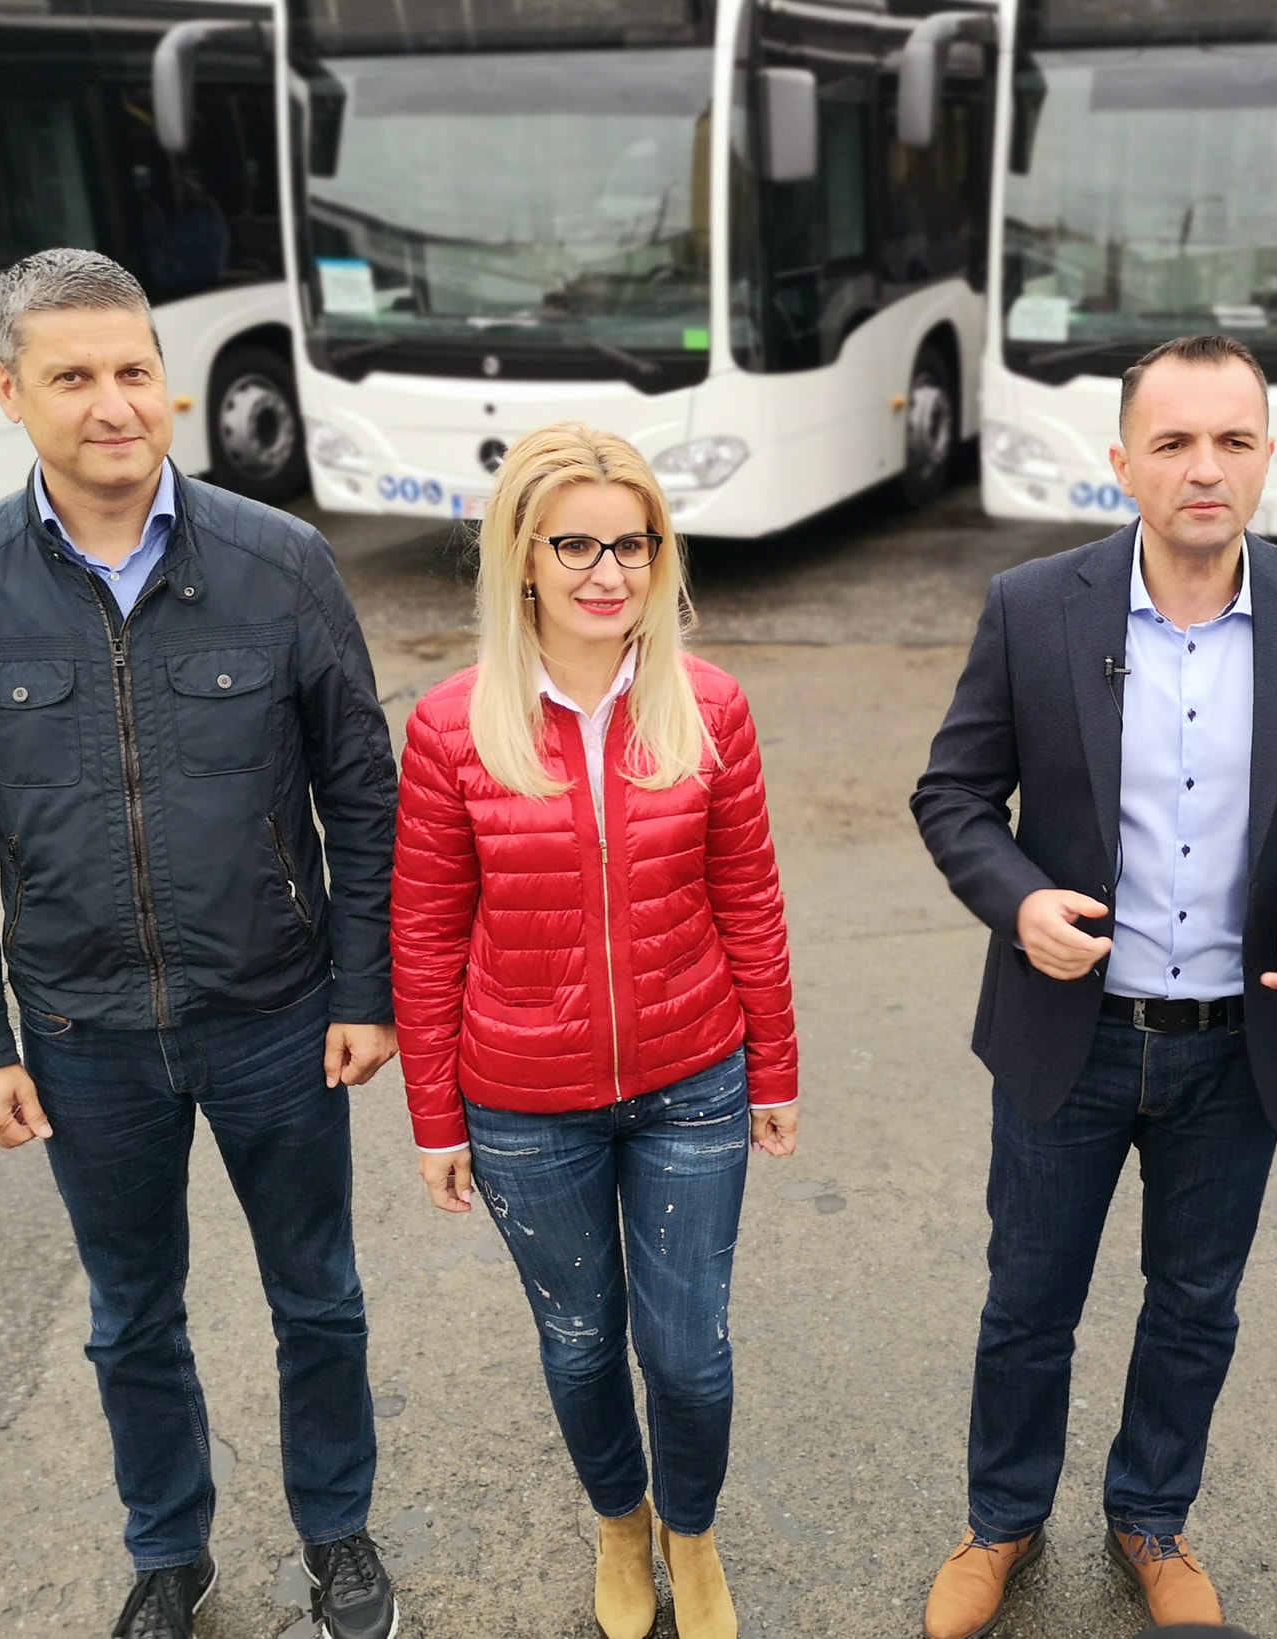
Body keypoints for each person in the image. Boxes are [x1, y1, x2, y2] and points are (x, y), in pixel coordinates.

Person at [910, 334, 1277, 1636]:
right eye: (1175, 442)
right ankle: (1002, 1516)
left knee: (1195, 1305)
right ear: (1123, 463)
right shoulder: (1035, 605)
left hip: (1238, 1046)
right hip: (1067, 1034)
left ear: (1266, 456)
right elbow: (954, 794)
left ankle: (1150, 1517)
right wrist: (1018, 901)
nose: (1206, 467)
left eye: (1233, 441)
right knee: (1028, 1299)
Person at [0, 249, 401, 1639]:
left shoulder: (281, 562)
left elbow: (362, 795)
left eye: (134, 369)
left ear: (167, 385)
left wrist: (364, 986)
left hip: (278, 1016)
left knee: (318, 1296)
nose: (113, 402)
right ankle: (168, 1552)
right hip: (82, 1037)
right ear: (9, 391)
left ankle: (337, 1532)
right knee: (130, 1316)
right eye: (72, 375)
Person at [390, 423, 799, 1639]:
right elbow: (425, 932)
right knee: (578, 1345)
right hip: (523, 1104)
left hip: (692, 1080)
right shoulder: (452, 726)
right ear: (521, 555)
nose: (607, 571)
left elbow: (749, 896)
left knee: (688, 1354)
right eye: (574, 544)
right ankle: (623, 1526)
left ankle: (692, 1532)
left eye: (634, 543)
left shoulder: (707, 705)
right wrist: (435, 1119)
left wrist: (772, 1065)